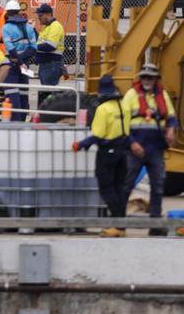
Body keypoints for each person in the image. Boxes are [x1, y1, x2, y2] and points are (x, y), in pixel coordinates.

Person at [122, 63, 177, 233]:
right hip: (135, 148)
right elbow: (122, 123)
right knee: (126, 184)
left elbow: (171, 117)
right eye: (144, 77)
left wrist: (171, 129)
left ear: (155, 79)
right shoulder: (131, 95)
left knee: (158, 184)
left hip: (155, 149)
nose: (147, 80)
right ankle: (118, 222)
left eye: (150, 77)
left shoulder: (162, 95)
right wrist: (132, 143)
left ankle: (155, 224)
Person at [73, 74, 128, 237]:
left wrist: (81, 145)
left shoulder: (103, 109)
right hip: (123, 152)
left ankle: (118, 225)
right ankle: (121, 226)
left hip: (108, 153)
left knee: (107, 188)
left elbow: (97, 135)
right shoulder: (122, 106)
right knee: (119, 189)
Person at [1, 0, 37, 118]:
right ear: (18, 12)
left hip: (12, 64)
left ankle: (15, 122)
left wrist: (18, 61)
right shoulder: (29, 28)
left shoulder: (6, 28)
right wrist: (23, 62)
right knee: (23, 94)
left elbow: (11, 50)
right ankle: (23, 120)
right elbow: (33, 48)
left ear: (7, 13)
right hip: (25, 65)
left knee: (12, 94)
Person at [35, 2, 65, 103]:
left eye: (40, 15)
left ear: (48, 14)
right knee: (47, 93)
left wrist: (33, 47)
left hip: (51, 65)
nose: (39, 18)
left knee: (49, 94)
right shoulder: (46, 27)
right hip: (46, 65)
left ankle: (50, 115)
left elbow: (50, 46)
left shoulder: (55, 26)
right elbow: (40, 43)